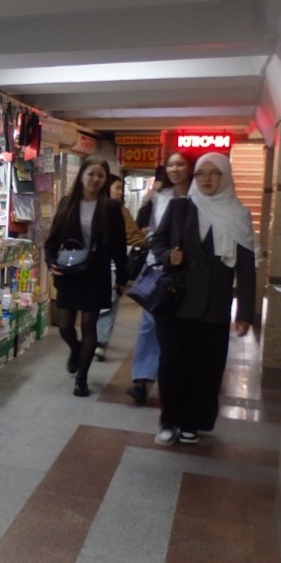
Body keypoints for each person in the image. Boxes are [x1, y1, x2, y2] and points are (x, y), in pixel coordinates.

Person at [149, 152, 255, 446]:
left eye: (214, 173)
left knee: (206, 368)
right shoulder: (180, 208)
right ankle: (169, 420)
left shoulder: (239, 215)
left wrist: (245, 311)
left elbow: (247, 266)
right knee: (172, 365)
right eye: (201, 174)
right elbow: (157, 241)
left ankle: (192, 422)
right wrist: (168, 255)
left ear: (226, 176)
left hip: (215, 305)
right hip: (177, 302)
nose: (207, 179)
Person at [44, 155, 128, 397]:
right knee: (66, 326)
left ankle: (82, 378)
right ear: (81, 175)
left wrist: (122, 278)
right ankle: (76, 349)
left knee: (90, 325)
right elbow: (52, 240)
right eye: (91, 174)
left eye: (100, 176)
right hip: (70, 272)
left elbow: (119, 246)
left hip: (97, 274)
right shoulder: (67, 203)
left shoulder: (111, 208)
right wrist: (51, 262)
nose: (95, 179)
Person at [126, 153, 194, 404]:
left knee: (177, 331)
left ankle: (176, 381)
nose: (175, 169)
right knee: (149, 324)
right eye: (171, 165)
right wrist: (163, 255)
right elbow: (155, 235)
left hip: (190, 274)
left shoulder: (200, 197)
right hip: (160, 269)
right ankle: (142, 380)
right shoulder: (160, 198)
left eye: (181, 164)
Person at [94, 173, 147, 361]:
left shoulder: (119, 210)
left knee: (108, 302)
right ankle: (98, 340)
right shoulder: (114, 210)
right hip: (103, 265)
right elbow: (133, 236)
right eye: (117, 187)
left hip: (113, 264)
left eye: (121, 188)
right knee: (106, 304)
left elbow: (131, 235)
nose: (120, 192)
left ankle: (99, 341)